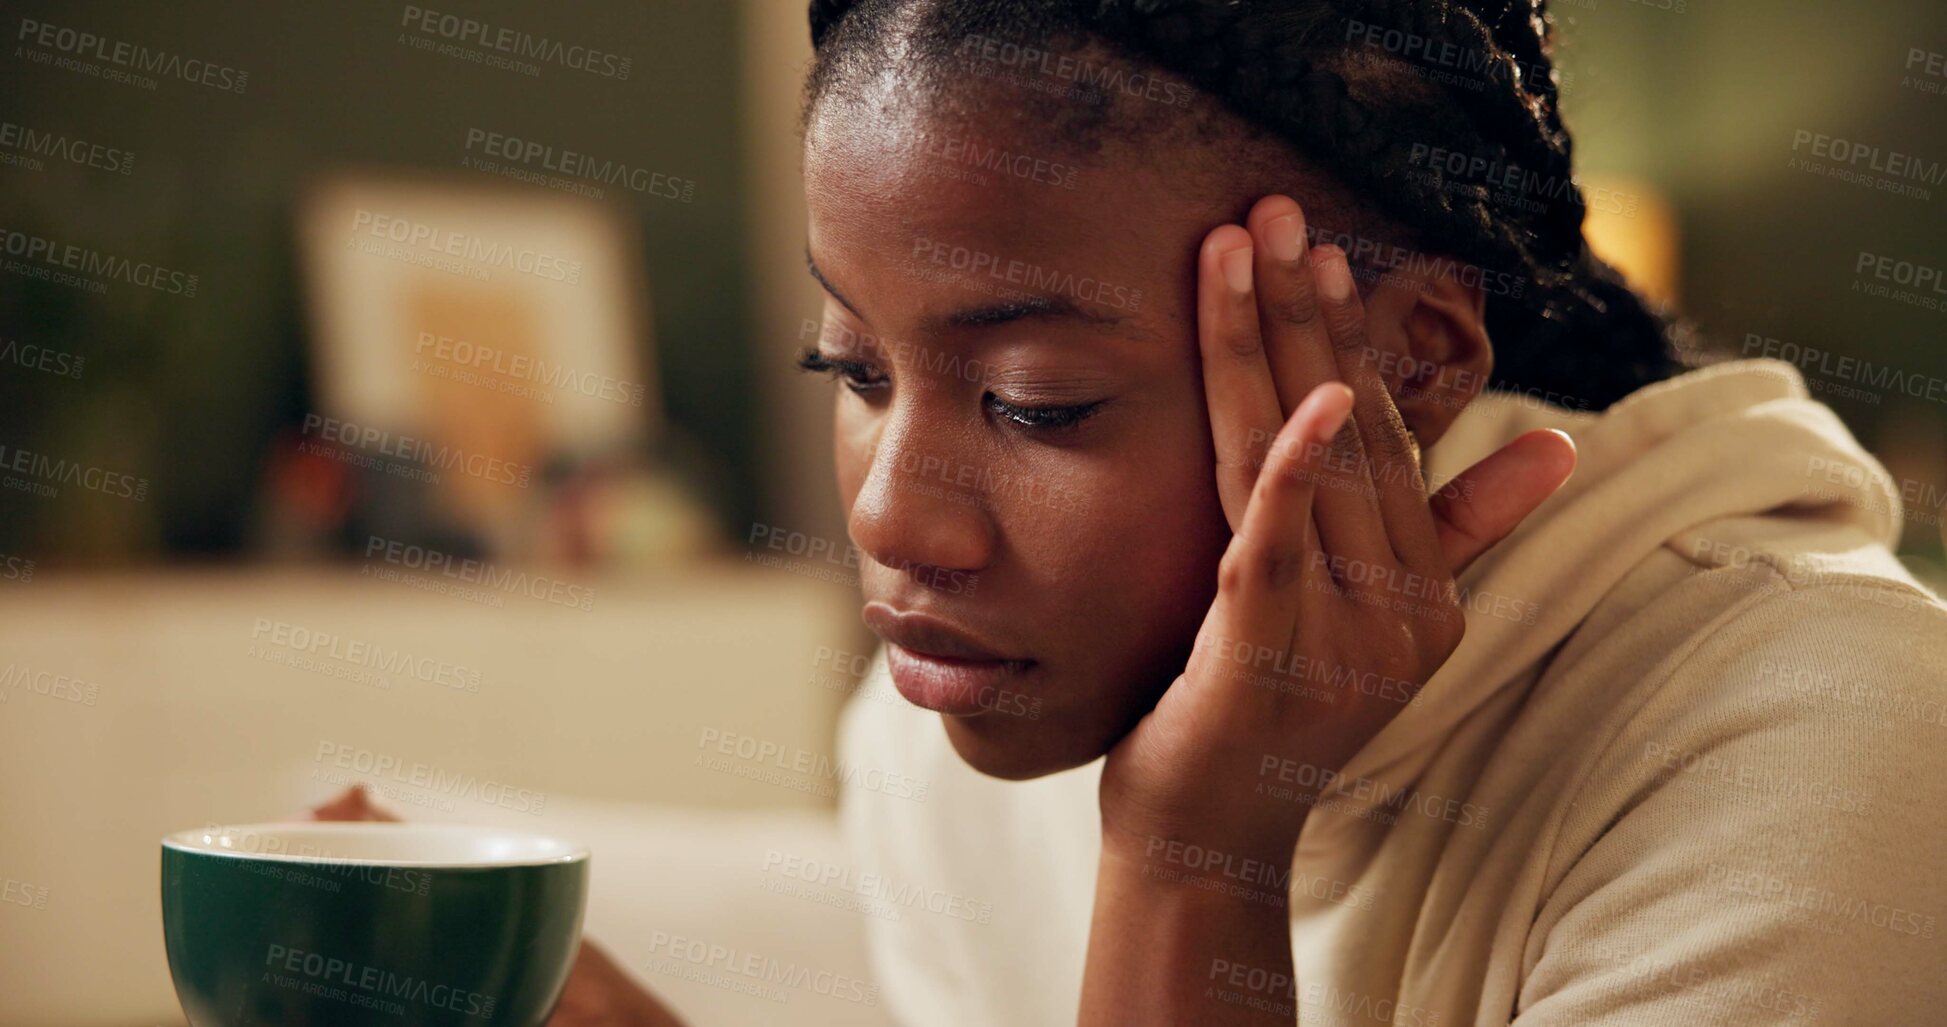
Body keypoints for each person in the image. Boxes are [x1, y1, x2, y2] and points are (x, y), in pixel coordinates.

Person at [330, 1, 1947, 1023]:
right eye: (857, 369)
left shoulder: (1826, 746)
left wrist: (1192, 856)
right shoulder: (947, 741)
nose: (897, 523)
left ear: (1414, 363)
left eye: (1038, 402)